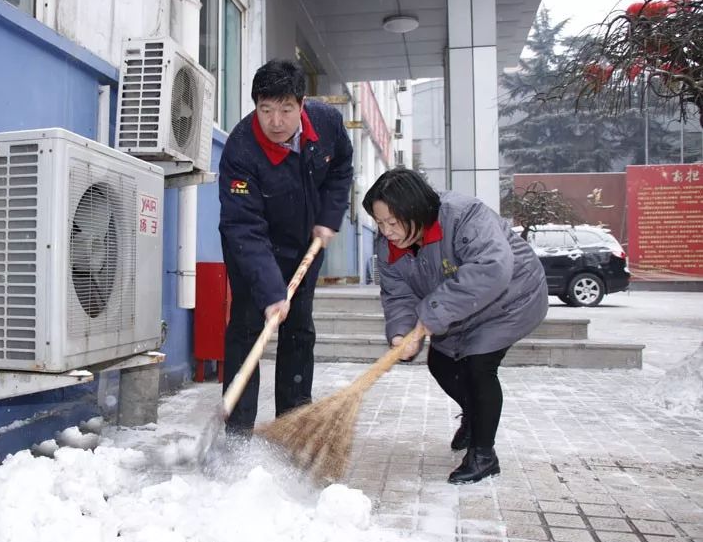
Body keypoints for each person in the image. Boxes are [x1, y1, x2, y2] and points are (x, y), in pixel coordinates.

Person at [362, 167, 548, 484]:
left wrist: (432, 315)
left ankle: (483, 454)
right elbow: (398, 294)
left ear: (416, 211)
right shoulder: (388, 246)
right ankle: (476, 415)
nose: (387, 231)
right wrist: (401, 332)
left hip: (510, 299)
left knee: (478, 365)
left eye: (392, 222)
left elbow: (491, 269)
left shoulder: (464, 216)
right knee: (441, 363)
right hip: (457, 311)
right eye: (379, 223)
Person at [218, 59, 354, 435]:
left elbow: (342, 167)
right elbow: (244, 227)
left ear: (302, 103)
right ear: (255, 105)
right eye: (265, 110)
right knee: (248, 329)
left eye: (285, 110)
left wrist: (330, 216)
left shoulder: (327, 123)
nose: (275, 121)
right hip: (253, 249)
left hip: (305, 243)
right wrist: (270, 291)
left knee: (299, 329)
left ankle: (293, 423)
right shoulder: (241, 149)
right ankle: (238, 431)